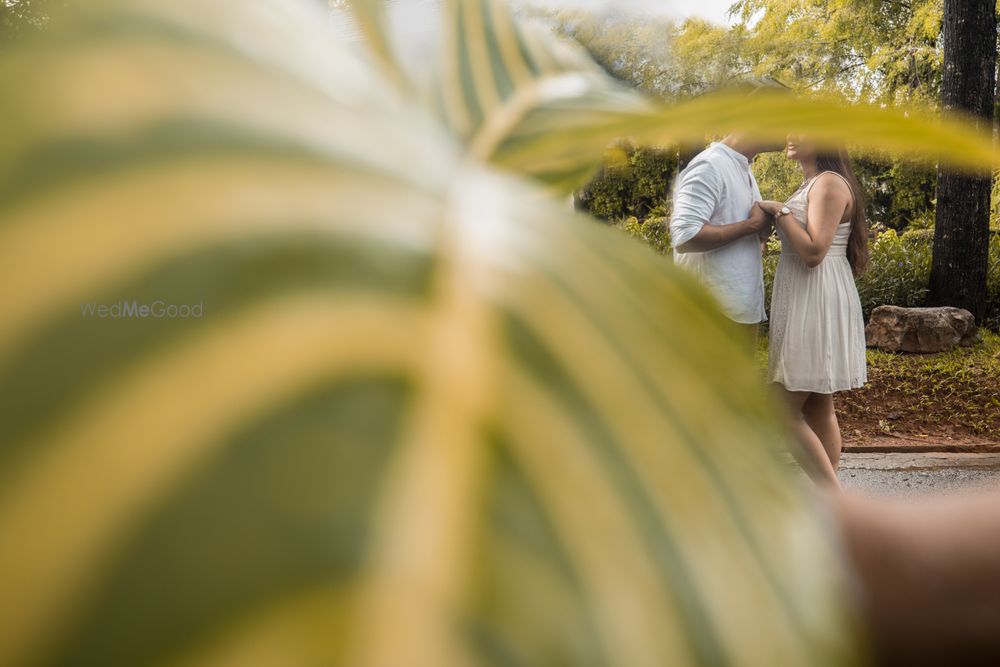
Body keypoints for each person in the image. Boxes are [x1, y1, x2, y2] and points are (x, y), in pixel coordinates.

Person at [758, 137, 869, 488]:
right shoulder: (813, 182)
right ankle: (829, 507)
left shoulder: (830, 184)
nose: (790, 135)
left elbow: (813, 251)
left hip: (816, 296)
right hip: (809, 294)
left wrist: (779, 210)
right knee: (818, 406)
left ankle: (835, 506)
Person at [669, 134, 780, 343]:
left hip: (740, 313)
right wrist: (752, 226)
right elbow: (685, 236)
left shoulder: (742, 168)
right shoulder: (710, 165)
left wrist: (761, 233)